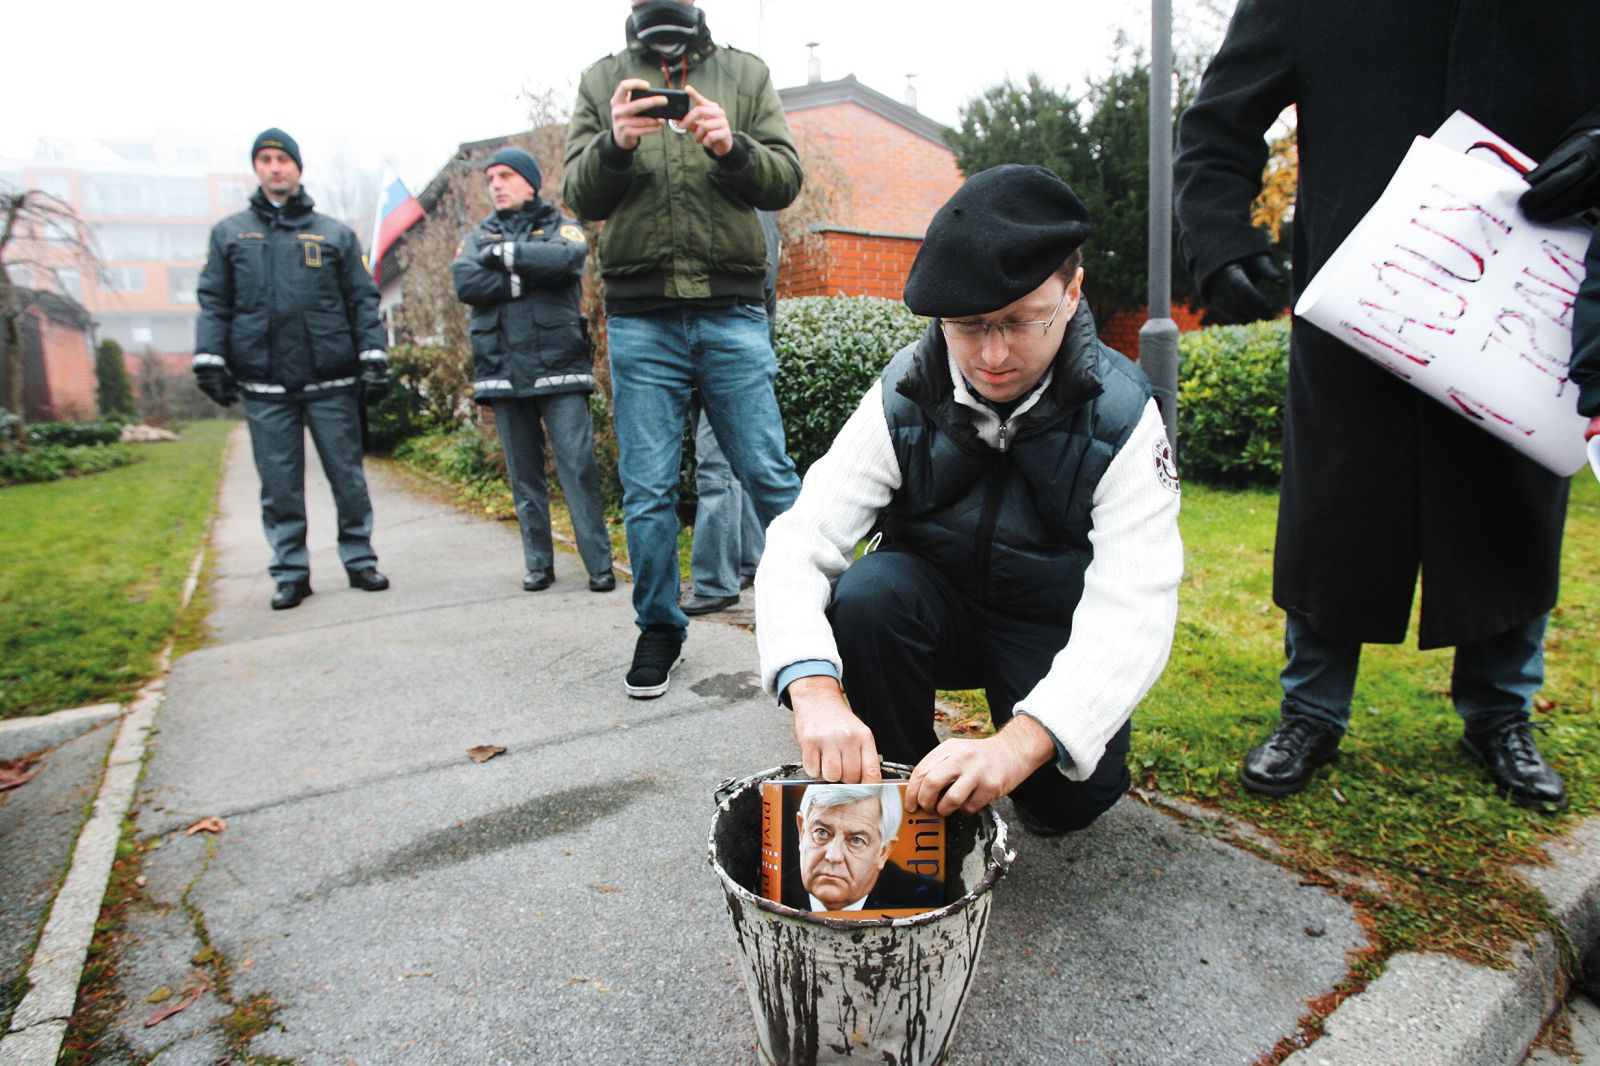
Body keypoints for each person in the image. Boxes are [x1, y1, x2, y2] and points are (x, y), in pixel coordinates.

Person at [1173, 0, 1600, 811]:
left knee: (1511, 500)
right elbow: (1220, 122)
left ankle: (1501, 713)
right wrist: (1220, 240)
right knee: (1338, 504)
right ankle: (1311, 711)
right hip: (1358, 292)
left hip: (1526, 291)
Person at [755, 165, 1183, 835]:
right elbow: (801, 539)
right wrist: (812, 691)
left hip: (1048, 624)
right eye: (967, 325)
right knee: (869, 593)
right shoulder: (903, 394)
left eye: (1019, 322)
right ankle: (903, 796)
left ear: (1072, 293)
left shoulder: (1125, 418)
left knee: (1067, 803)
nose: (991, 356)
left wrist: (1019, 746)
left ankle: (1027, 776)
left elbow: (1139, 604)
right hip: (932, 609)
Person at [563, 0, 804, 697]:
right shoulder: (602, 78)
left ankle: (816, 619)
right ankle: (660, 627)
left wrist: (733, 146)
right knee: (647, 488)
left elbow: (785, 179)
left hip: (731, 309)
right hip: (641, 317)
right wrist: (615, 143)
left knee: (769, 474)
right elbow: (580, 196)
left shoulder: (744, 72)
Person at [193, 128, 390, 611]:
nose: (275, 166)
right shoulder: (229, 234)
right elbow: (214, 302)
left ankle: (360, 558)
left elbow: (362, 300)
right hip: (263, 381)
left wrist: (373, 355)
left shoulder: (333, 234)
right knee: (278, 484)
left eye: (283, 159)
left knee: (347, 477)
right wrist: (210, 358)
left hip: (331, 378)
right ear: (256, 168)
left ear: (298, 168)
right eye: (266, 159)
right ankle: (291, 572)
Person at [451, 147, 617, 594]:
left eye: (505, 176)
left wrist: (503, 257)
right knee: (523, 475)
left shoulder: (560, 224)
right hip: (503, 370)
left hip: (560, 366)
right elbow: (465, 281)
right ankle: (538, 564)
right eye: (490, 179)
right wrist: (523, 271)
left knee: (577, 468)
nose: (496, 185)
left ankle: (598, 565)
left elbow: (566, 260)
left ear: (529, 181)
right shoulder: (476, 234)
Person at [681, 209, 780, 615]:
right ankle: (752, 561)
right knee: (731, 468)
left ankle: (714, 582)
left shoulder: (749, 205)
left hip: (728, 352)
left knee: (715, 468)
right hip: (706, 349)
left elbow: (761, 280)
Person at [785, 784, 941, 913]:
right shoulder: (775, 894)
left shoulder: (929, 901)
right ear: (802, 832)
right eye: (822, 832)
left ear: (883, 852)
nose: (833, 856)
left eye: (856, 840)